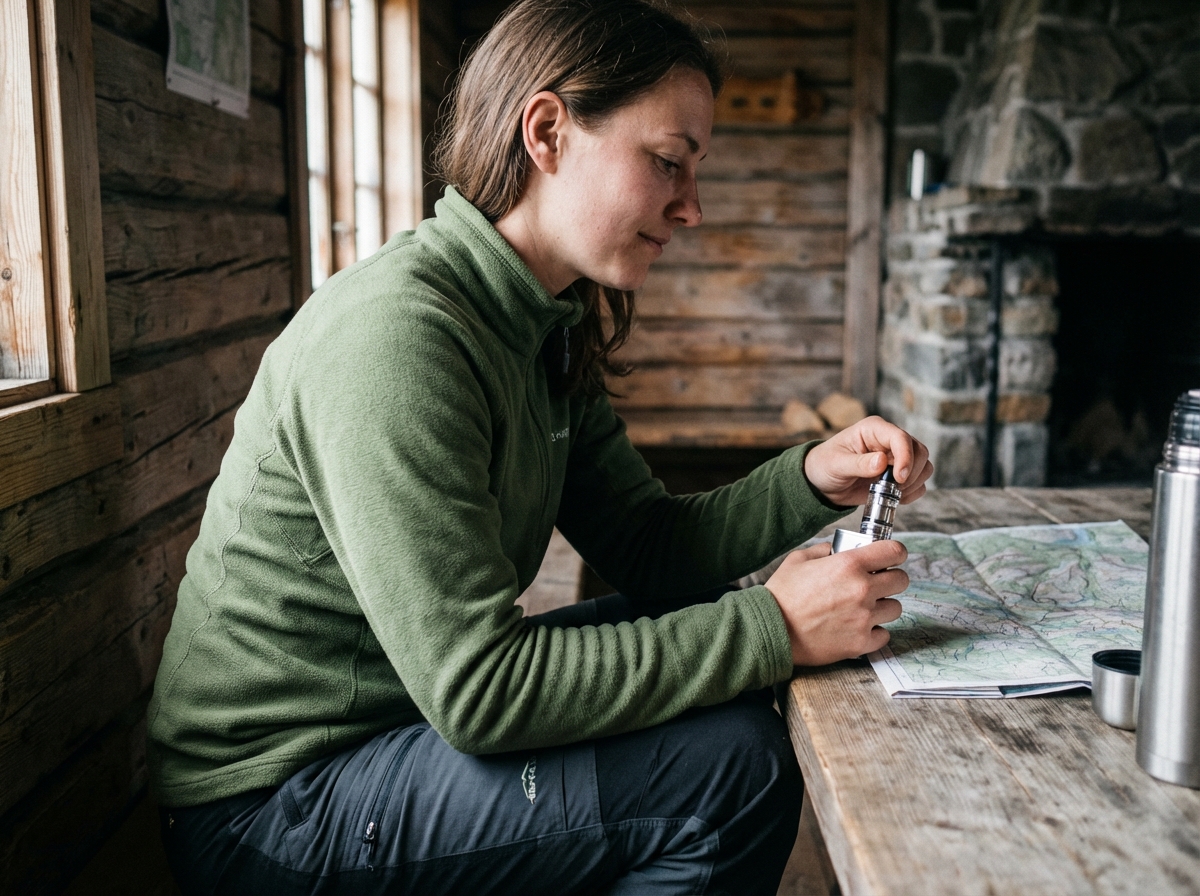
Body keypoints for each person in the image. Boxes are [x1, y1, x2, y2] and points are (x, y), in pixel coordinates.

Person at [148, 1, 933, 893]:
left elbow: (648, 547)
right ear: (549, 131)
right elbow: (480, 690)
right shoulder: (398, 339)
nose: (692, 208)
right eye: (667, 162)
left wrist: (810, 480)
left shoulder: (541, 323)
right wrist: (776, 625)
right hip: (276, 805)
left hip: (404, 727)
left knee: (734, 677)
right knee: (732, 767)